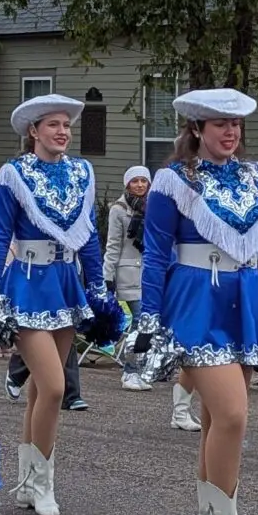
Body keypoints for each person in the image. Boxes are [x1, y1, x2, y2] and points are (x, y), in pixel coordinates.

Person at [132, 89, 258, 515]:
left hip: (244, 298)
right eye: (219, 124)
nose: (230, 132)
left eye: (236, 125)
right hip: (195, 301)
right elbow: (157, 253)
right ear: (197, 129)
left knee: (215, 419)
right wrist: (149, 318)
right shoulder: (172, 180)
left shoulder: (256, 175)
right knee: (232, 416)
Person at [0, 94, 107, 515]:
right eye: (52, 124)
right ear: (33, 131)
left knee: (41, 387)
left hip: (65, 280)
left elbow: (89, 234)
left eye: (67, 125)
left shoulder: (81, 172)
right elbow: (0, 236)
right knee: (54, 387)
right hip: (28, 282)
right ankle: (42, 484)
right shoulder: (13, 174)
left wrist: (97, 283)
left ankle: (27, 480)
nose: (62, 132)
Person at [102, 165, 151, 388]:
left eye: (143, 180)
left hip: (149, 274)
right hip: (127, 273)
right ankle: (130, 370)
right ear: (127, 184)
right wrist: (107, 276)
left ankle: (140, 369)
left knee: (149, 324)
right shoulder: (119, 209)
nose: (140, 185)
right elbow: (113, 245)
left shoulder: (154, 207)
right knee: (140, 321)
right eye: (135, 181)